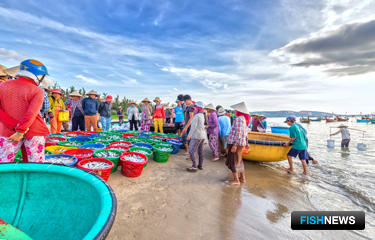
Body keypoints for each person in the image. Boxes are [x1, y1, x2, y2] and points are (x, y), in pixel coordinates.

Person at [0, 59, 50, 162]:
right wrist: (20, 131)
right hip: (33, 131)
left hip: (8, 131)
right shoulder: (37, 90)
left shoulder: (2, 86)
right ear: (38, 75)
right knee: (36, 163)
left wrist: (14, 126)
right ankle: (34, 178)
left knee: (4, 161)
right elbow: (31, 113)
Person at [225, 102, 250, 185]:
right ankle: (242, 178)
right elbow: (245, 133)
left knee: (233, 160)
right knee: (239, 160)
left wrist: (235, 144)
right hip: (240, 143)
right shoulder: (244, 119)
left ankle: (236, 180)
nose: (235, 111)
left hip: (236, 143)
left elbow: (239, 133)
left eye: (236, 110)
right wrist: (246, 143)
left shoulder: (239, 119)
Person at [186, 101, 206, 172]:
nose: (194, 110)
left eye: (195, 108)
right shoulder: (202, 115)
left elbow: (193, 127)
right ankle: (200, 165)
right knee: (200, 152)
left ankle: (194, 166)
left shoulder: (197, 116)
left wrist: (189, 135)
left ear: (198, 108)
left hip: (196, 136)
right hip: (202, 136)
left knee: (191, 151)